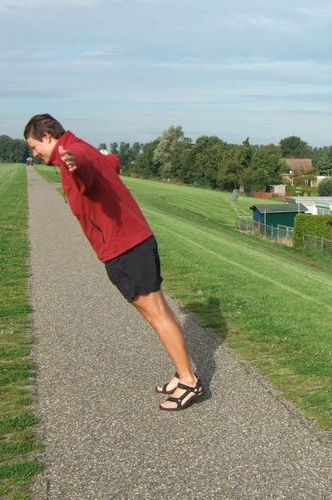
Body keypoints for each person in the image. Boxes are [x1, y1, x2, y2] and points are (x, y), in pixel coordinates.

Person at [25, 114, 203, 411]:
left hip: (125, 247)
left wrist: (74, 164)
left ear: (46, 136)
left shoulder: (74, 153)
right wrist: (90, 160)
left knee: (156, 314)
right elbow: (111, 162)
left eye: (33, 146)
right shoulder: (81, 146)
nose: (34, 153)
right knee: (158, 312)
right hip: (135, 242)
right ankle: (182, 371)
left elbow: (82, 164)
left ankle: (189, 381)